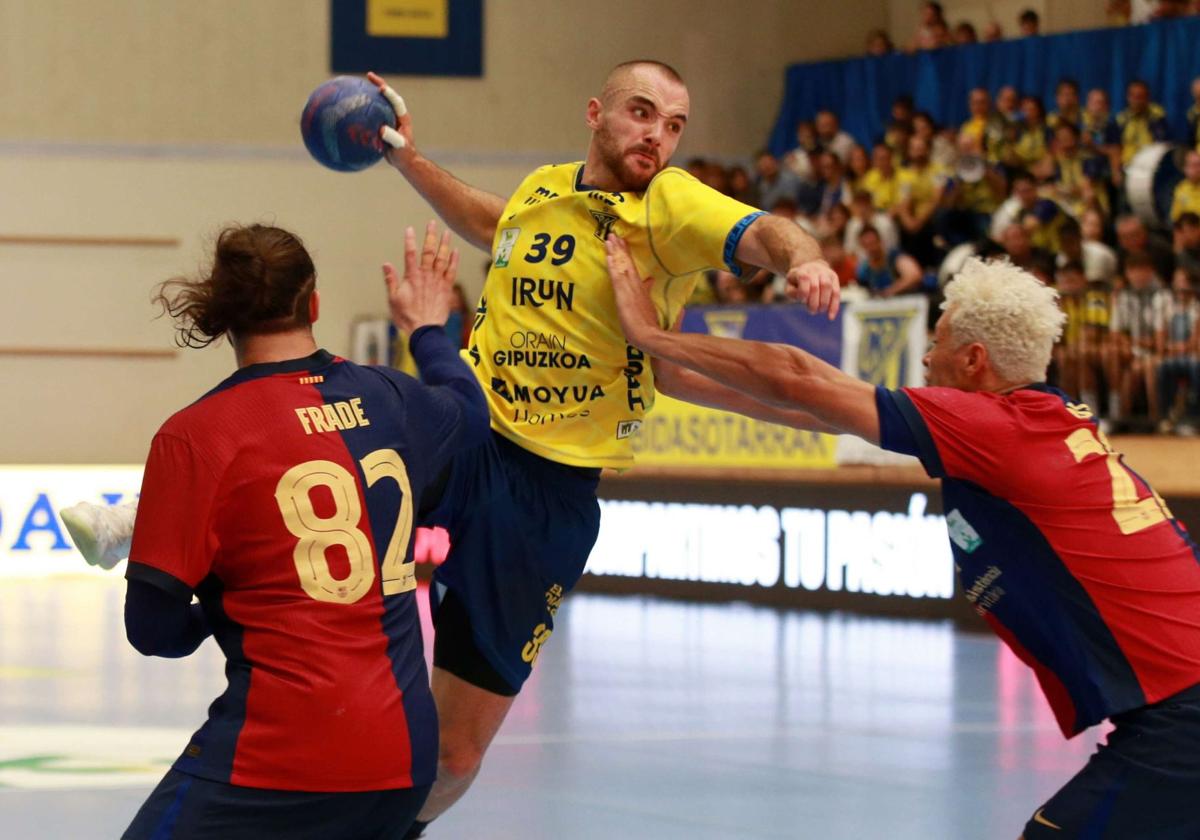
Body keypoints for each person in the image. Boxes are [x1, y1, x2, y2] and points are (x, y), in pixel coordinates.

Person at [365, 60, 840, 836]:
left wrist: (805, 259)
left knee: (454, 754)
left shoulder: (670, 207)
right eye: (642, 113)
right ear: (597, 112)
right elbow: (493, 222)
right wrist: (406, 158)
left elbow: (766, 230)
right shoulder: (546, 187)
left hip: (546, 496)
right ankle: (149, 525)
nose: (658, 134)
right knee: (332, 436)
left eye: (675, 124)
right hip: (467, 429)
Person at [604, 235, 1200, 840]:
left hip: (1183, 717)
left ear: (973, 361)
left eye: (935, 343)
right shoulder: (1031, 424)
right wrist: (673, 372)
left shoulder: (994, 428)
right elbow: (814, 410)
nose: (923, 359)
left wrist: (652, 335)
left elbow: (798, 376)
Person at [65, 221, 490, 839]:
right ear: (313, 304)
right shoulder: (393, 398)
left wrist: (226, 591)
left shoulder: (199, 435)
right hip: (402, 762)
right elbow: (469, 411)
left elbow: (152, 631)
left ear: (223, 314)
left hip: (277, 761)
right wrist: (428, 329)